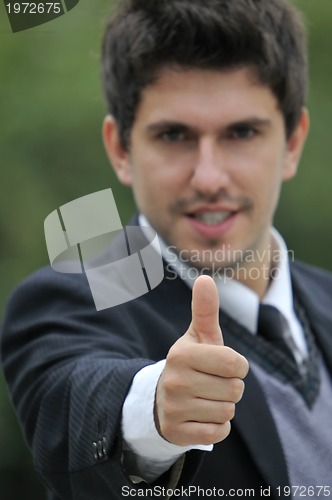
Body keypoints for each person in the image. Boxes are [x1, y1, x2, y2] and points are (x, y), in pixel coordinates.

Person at [1, 0, 332, 498]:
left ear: (292, 143)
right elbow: (75, 398)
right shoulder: (72, 298)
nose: (209, 177)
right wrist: (154, 407)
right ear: (120, 149)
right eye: (174, 135)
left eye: (242, 133)